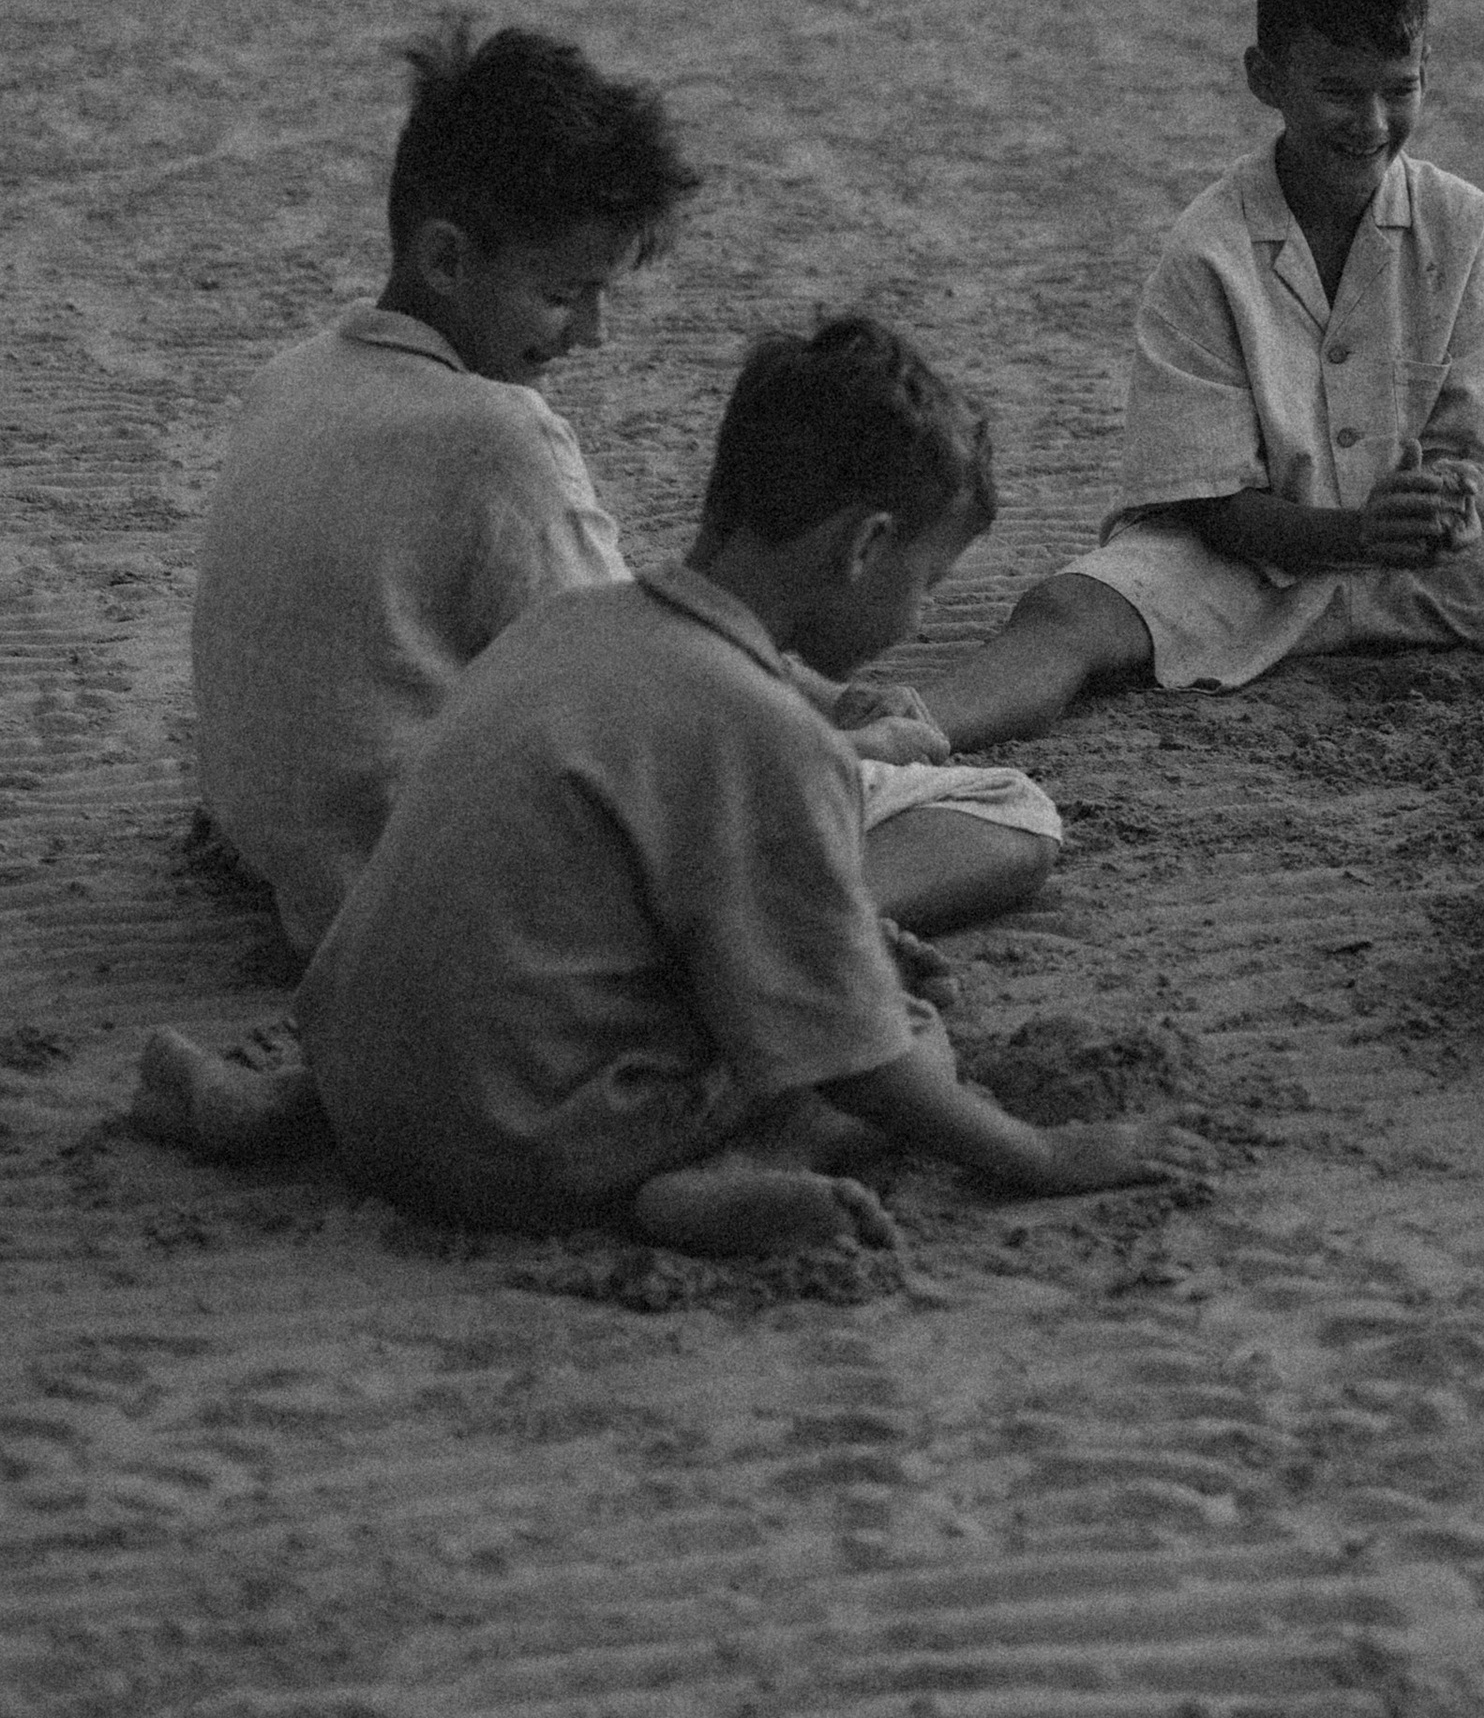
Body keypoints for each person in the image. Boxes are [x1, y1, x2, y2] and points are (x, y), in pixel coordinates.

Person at [140, 317, 1204, 1248]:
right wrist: (1038, 1155)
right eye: (924, 583)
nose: (917, 619)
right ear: (865, 546)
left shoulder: (563, 623)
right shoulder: (764, 727)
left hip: (363, 1093)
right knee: (910, 1031)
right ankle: (714, 1181)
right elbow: (857, 1059)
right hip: (522, 1153)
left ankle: (276, 1113)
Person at [189, 22, 1058, 962]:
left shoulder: (289, 378)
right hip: (440, 903)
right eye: (565, 296)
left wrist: (810, 693)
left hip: (290, 858)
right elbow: (634, 695)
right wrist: (836, 753)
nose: (592, 335)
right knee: (1005, 812)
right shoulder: (496, 434)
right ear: (446, 261)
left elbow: (588, 620)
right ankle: (760, 939)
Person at [906, 0, 1484, 750]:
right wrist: (1353, 535)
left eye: (1399, 87)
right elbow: (1212, 509)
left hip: (1423, 566)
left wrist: (1442, 506)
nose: (1374, 121)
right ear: (1264, 77)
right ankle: (901, 737)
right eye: (1340, 92)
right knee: (1064, 614)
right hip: (1236, 567)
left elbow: (1470, 456)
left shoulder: (1465, 224)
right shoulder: (1209, 248)